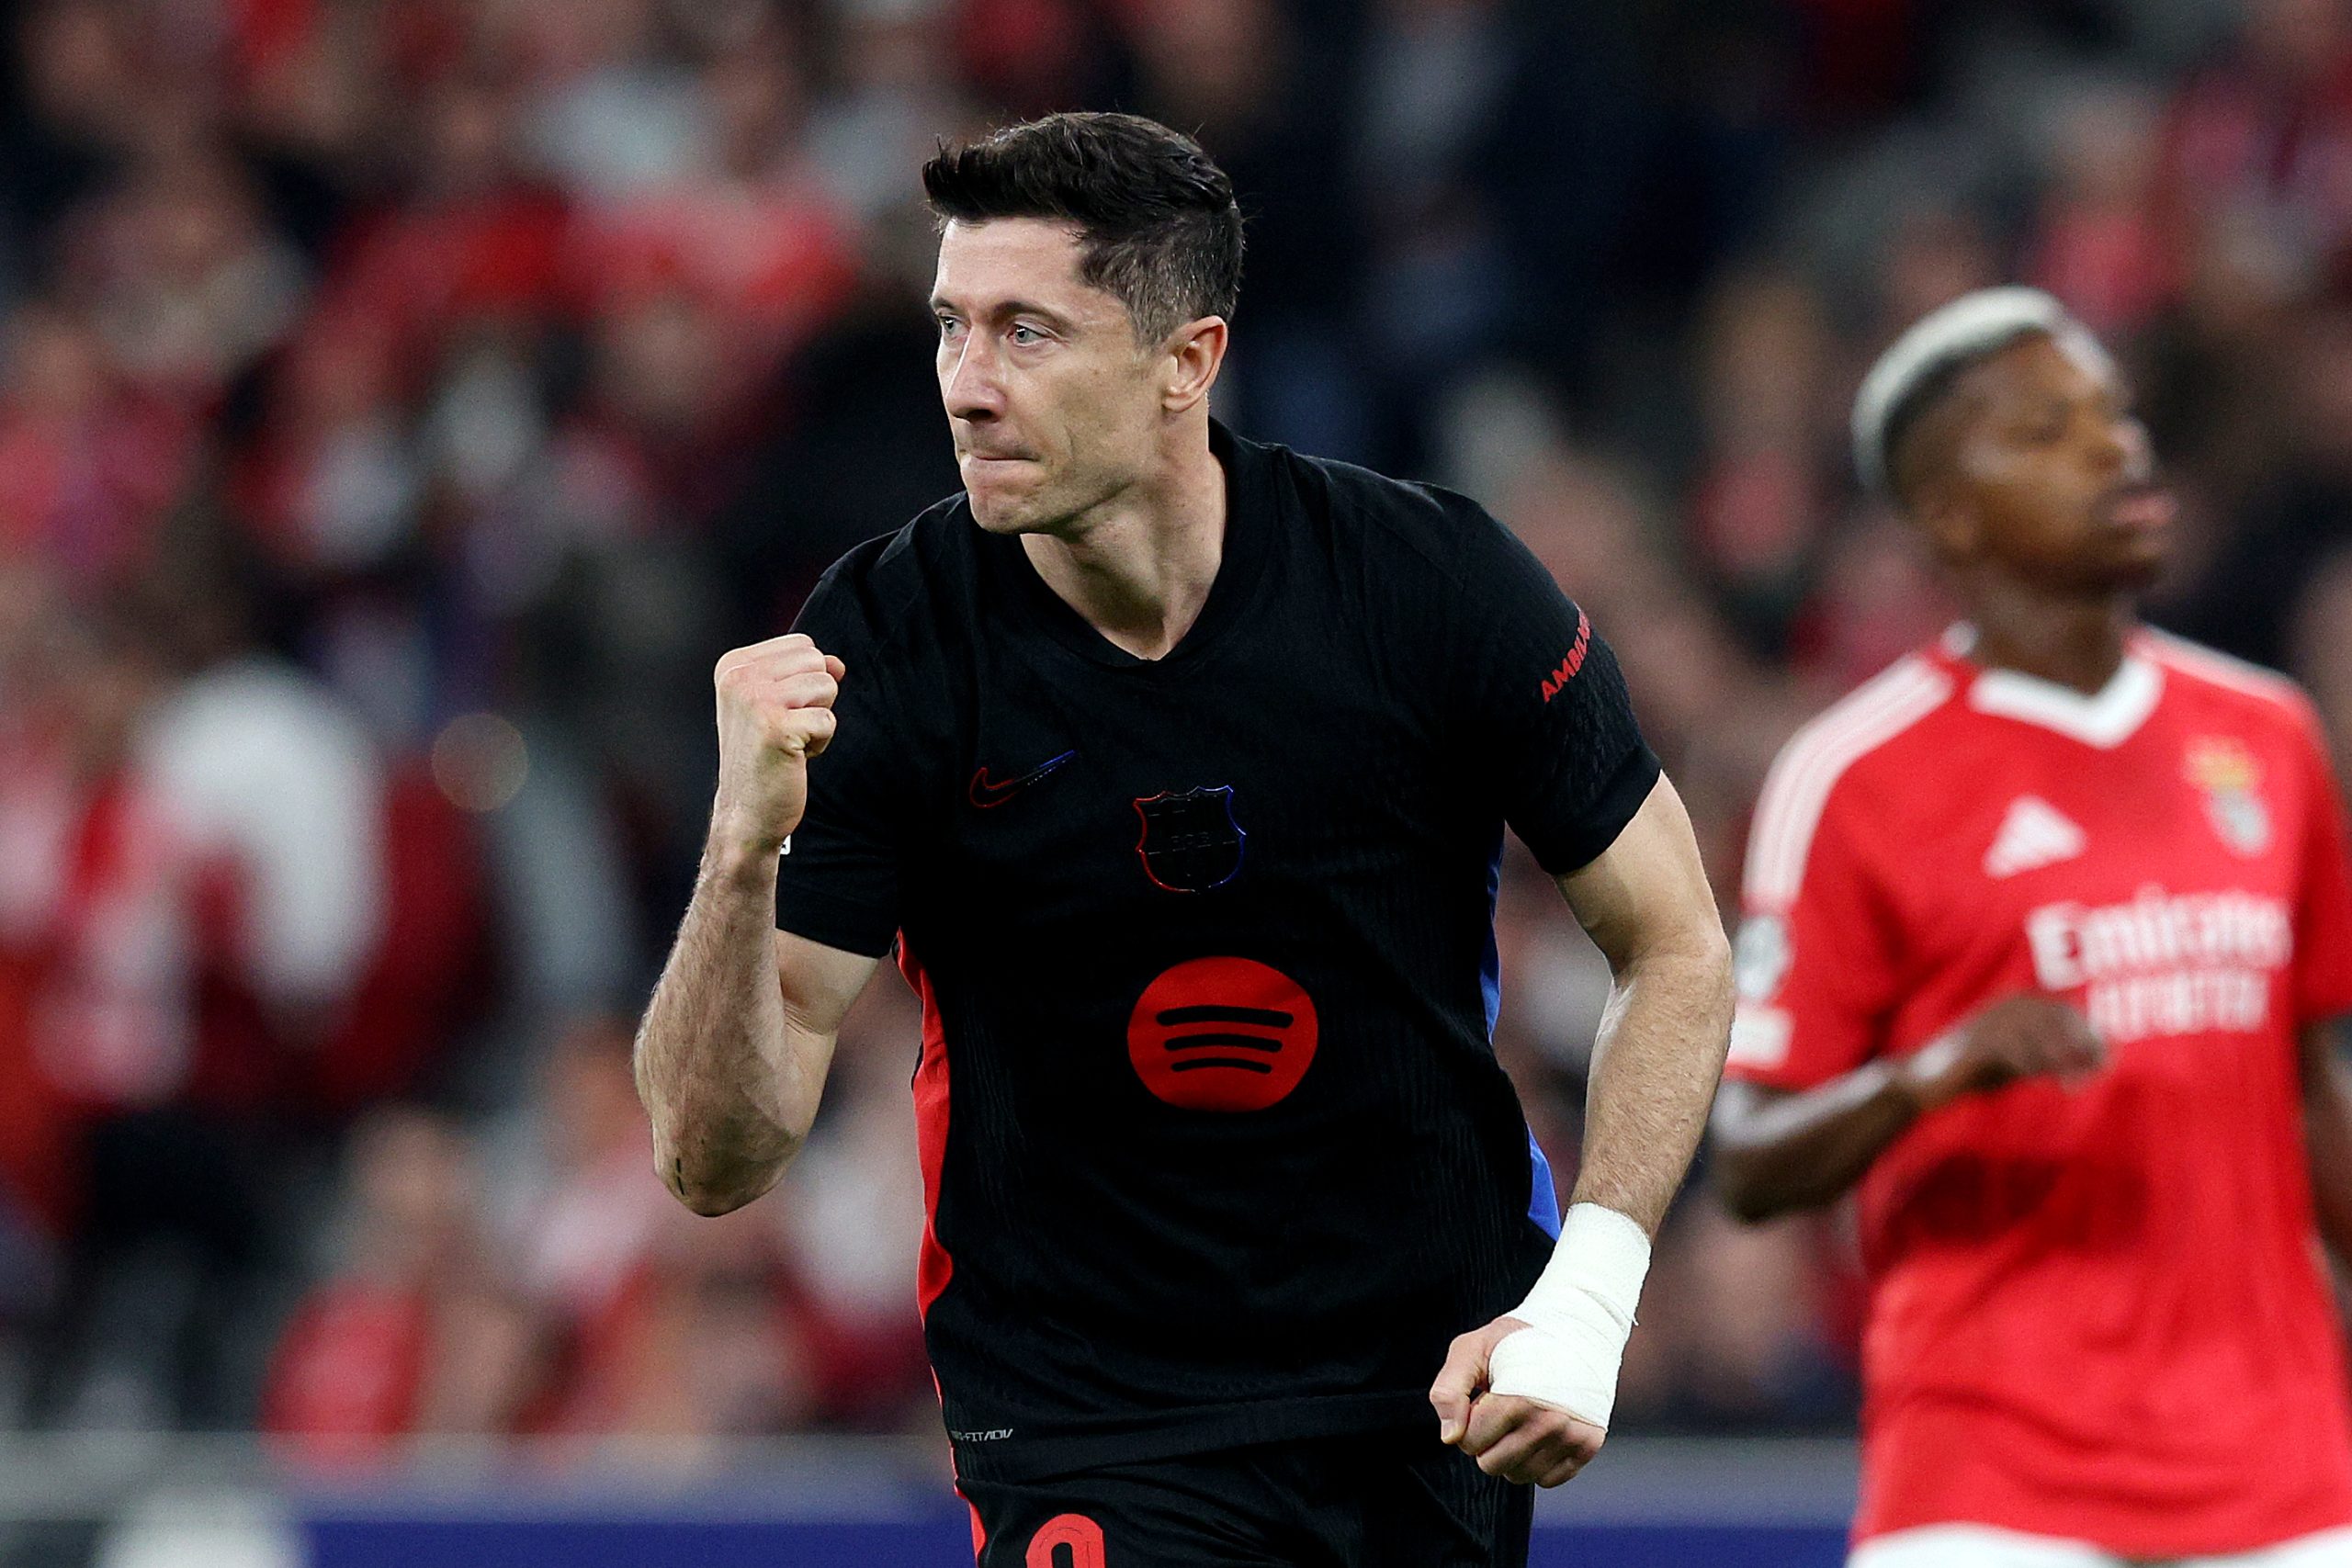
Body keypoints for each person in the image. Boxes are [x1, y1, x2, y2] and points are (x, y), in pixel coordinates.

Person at [633, 112, 1732, 1567]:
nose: (968, 386)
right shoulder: (882, 648)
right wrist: (737, 856)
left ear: (1186, 363)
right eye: (952, 328)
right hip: (1089, 1424)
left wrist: (1585, 1297)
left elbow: (1679, 945)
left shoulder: (1430, 588)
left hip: (1423, 1407)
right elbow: (716, 1160)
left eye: (1028, 333)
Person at [1711, 287, 2352, 1568]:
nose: (2118, 449)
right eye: (2051, 428)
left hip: (2279, 1474)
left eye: (2113, 414)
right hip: (1992, 1482)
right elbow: (1750, 1155)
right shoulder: (1856, 778)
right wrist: (1934, 1075)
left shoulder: (2268, 735)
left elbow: (2308, 1090)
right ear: (1950, 513)